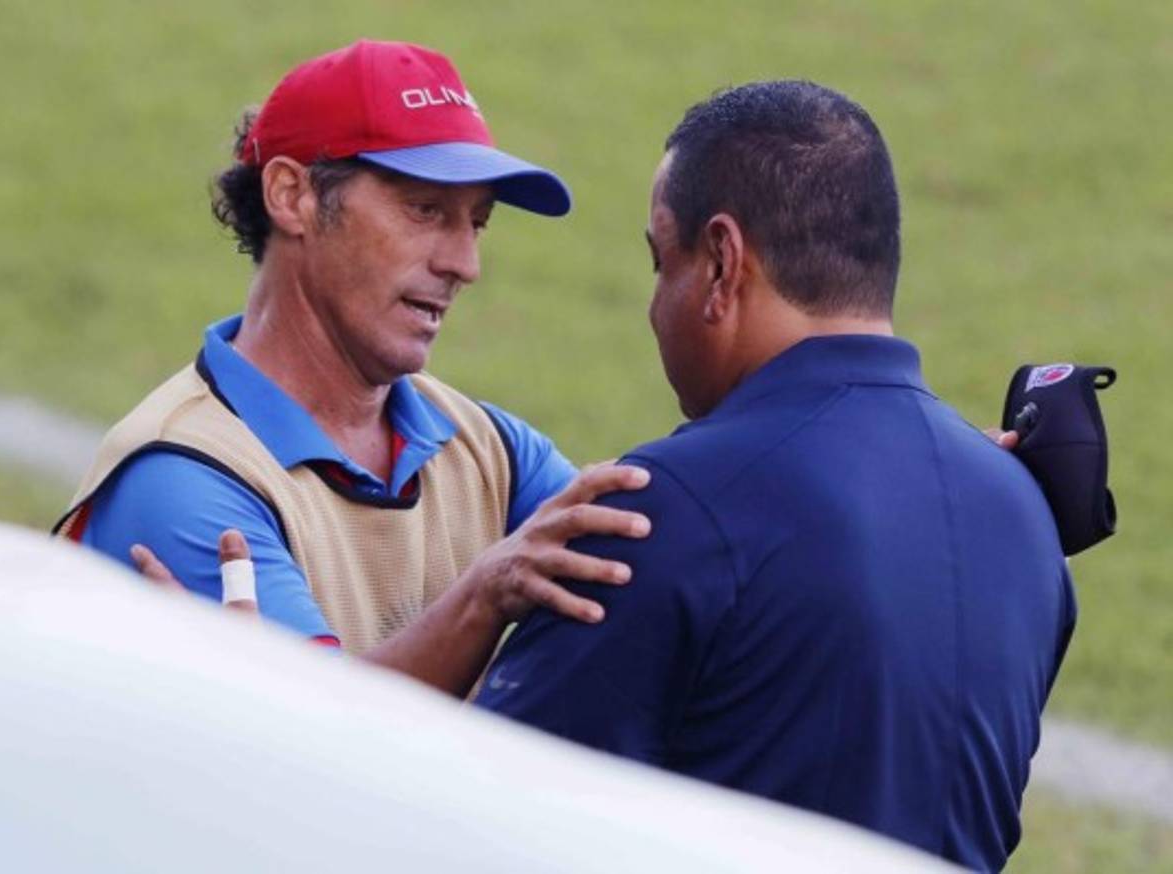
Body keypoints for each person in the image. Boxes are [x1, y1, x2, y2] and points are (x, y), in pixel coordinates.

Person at [473, 81, 1075, 873]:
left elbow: (481, 815)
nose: (656, 306)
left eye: (663, 262)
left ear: (723, 261)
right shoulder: (1026, 514)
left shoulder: (658, 513)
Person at [53, 39, 652, 696]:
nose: (464, 264)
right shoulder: (181, 480)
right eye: (425, 210)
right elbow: (328, 749)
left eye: (475, 224)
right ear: (291, 195)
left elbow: (661, 591)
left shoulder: (492, 453)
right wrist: (484, 597)